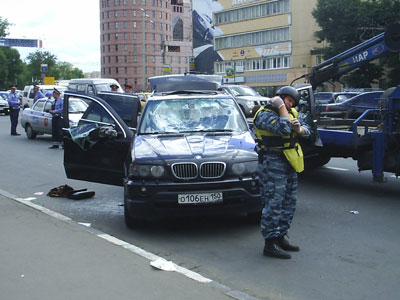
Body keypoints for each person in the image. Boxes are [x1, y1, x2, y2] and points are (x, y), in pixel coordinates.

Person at [253, 86, 311, 259]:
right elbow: (284, 129)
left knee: (289, 202)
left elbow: (308, 130)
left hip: (289, 162)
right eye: (288, 100)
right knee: (274, 202)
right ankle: (270, 244)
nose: (290, 104)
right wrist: (281, 108)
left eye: (292, 102)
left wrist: (300, 129)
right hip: (273, 162)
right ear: (280, 98)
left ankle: (281, 236)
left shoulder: (292, 112)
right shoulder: (264, 114)